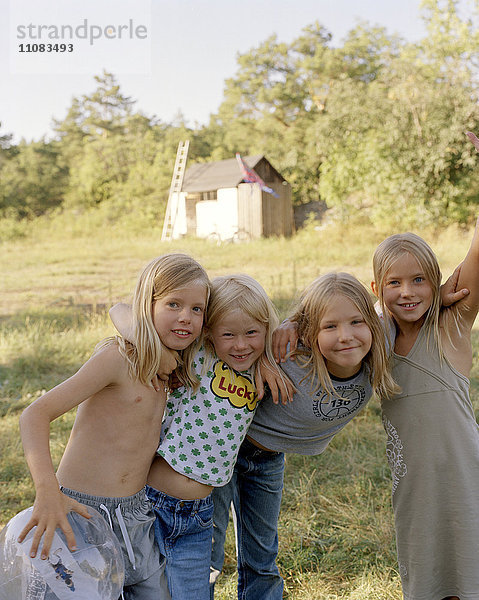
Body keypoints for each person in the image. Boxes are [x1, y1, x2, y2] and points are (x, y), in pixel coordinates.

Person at [18, 253, 210, 600]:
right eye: (174, 304)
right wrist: (48, 490)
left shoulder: (178, 367)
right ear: (147, 306)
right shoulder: (118, 359)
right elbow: (34, 414)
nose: (186, 316)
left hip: (137, 513)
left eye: (197, 309)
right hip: (81, 512)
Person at [210, 272, 399, 600]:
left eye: (356, 321)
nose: (346, 336)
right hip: (220, 448)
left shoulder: (380, 340)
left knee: (262, 558)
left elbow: (413, 302)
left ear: (372, 321)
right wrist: (266, 358)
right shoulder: (290, 351)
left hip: (267, 461)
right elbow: (231, 340)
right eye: (330, 327)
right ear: (310, 333)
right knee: (208, 556)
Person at [111, 273, 289, 600]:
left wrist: (265, 357)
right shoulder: (199, 355)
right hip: (156, 502)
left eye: (252, 333)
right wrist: (159, 353)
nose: (240, 344)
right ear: (208, 332)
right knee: (141, 589)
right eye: (228, 334)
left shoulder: (260, 364)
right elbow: (119, 310)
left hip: (199, 511)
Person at [371, 221, 479, 600]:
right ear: (376, 289)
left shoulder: (451, 326)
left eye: (419, 280)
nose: (407, 292)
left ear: (436, 282)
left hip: (465, 480)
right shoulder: (374, 342)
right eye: (393, 283)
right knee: (429, 581)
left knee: (468, 578)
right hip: (414, 489)